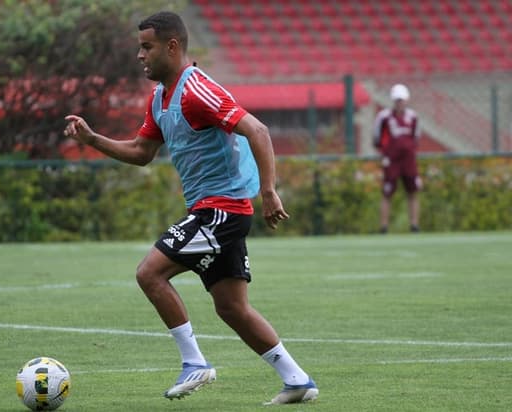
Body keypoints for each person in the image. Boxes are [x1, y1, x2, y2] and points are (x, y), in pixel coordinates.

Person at [64, 11, 318, 405]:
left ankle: (193, 362)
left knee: (150, 273)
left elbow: (258, 130)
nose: (140, 55)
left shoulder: (196, 89)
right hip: (214, 211)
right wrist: (93, 139)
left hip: (222, 211)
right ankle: (297, 379)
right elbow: (141, 152)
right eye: (139, 47)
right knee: (232, 307)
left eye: (146, 47)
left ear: (172, 46)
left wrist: (269, 190)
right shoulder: (159, 99)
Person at [373, 83, 422, 234]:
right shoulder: (384, 117)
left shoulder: (413, 117)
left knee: (412, 191)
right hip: (391, 160)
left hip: (408, 160)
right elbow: (377, 138)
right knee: (387, 192)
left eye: (402, 100)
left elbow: (416, 137)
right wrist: (384, 154)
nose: (399, 103)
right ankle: (384, 226)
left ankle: (414, 225)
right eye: (397, 100)